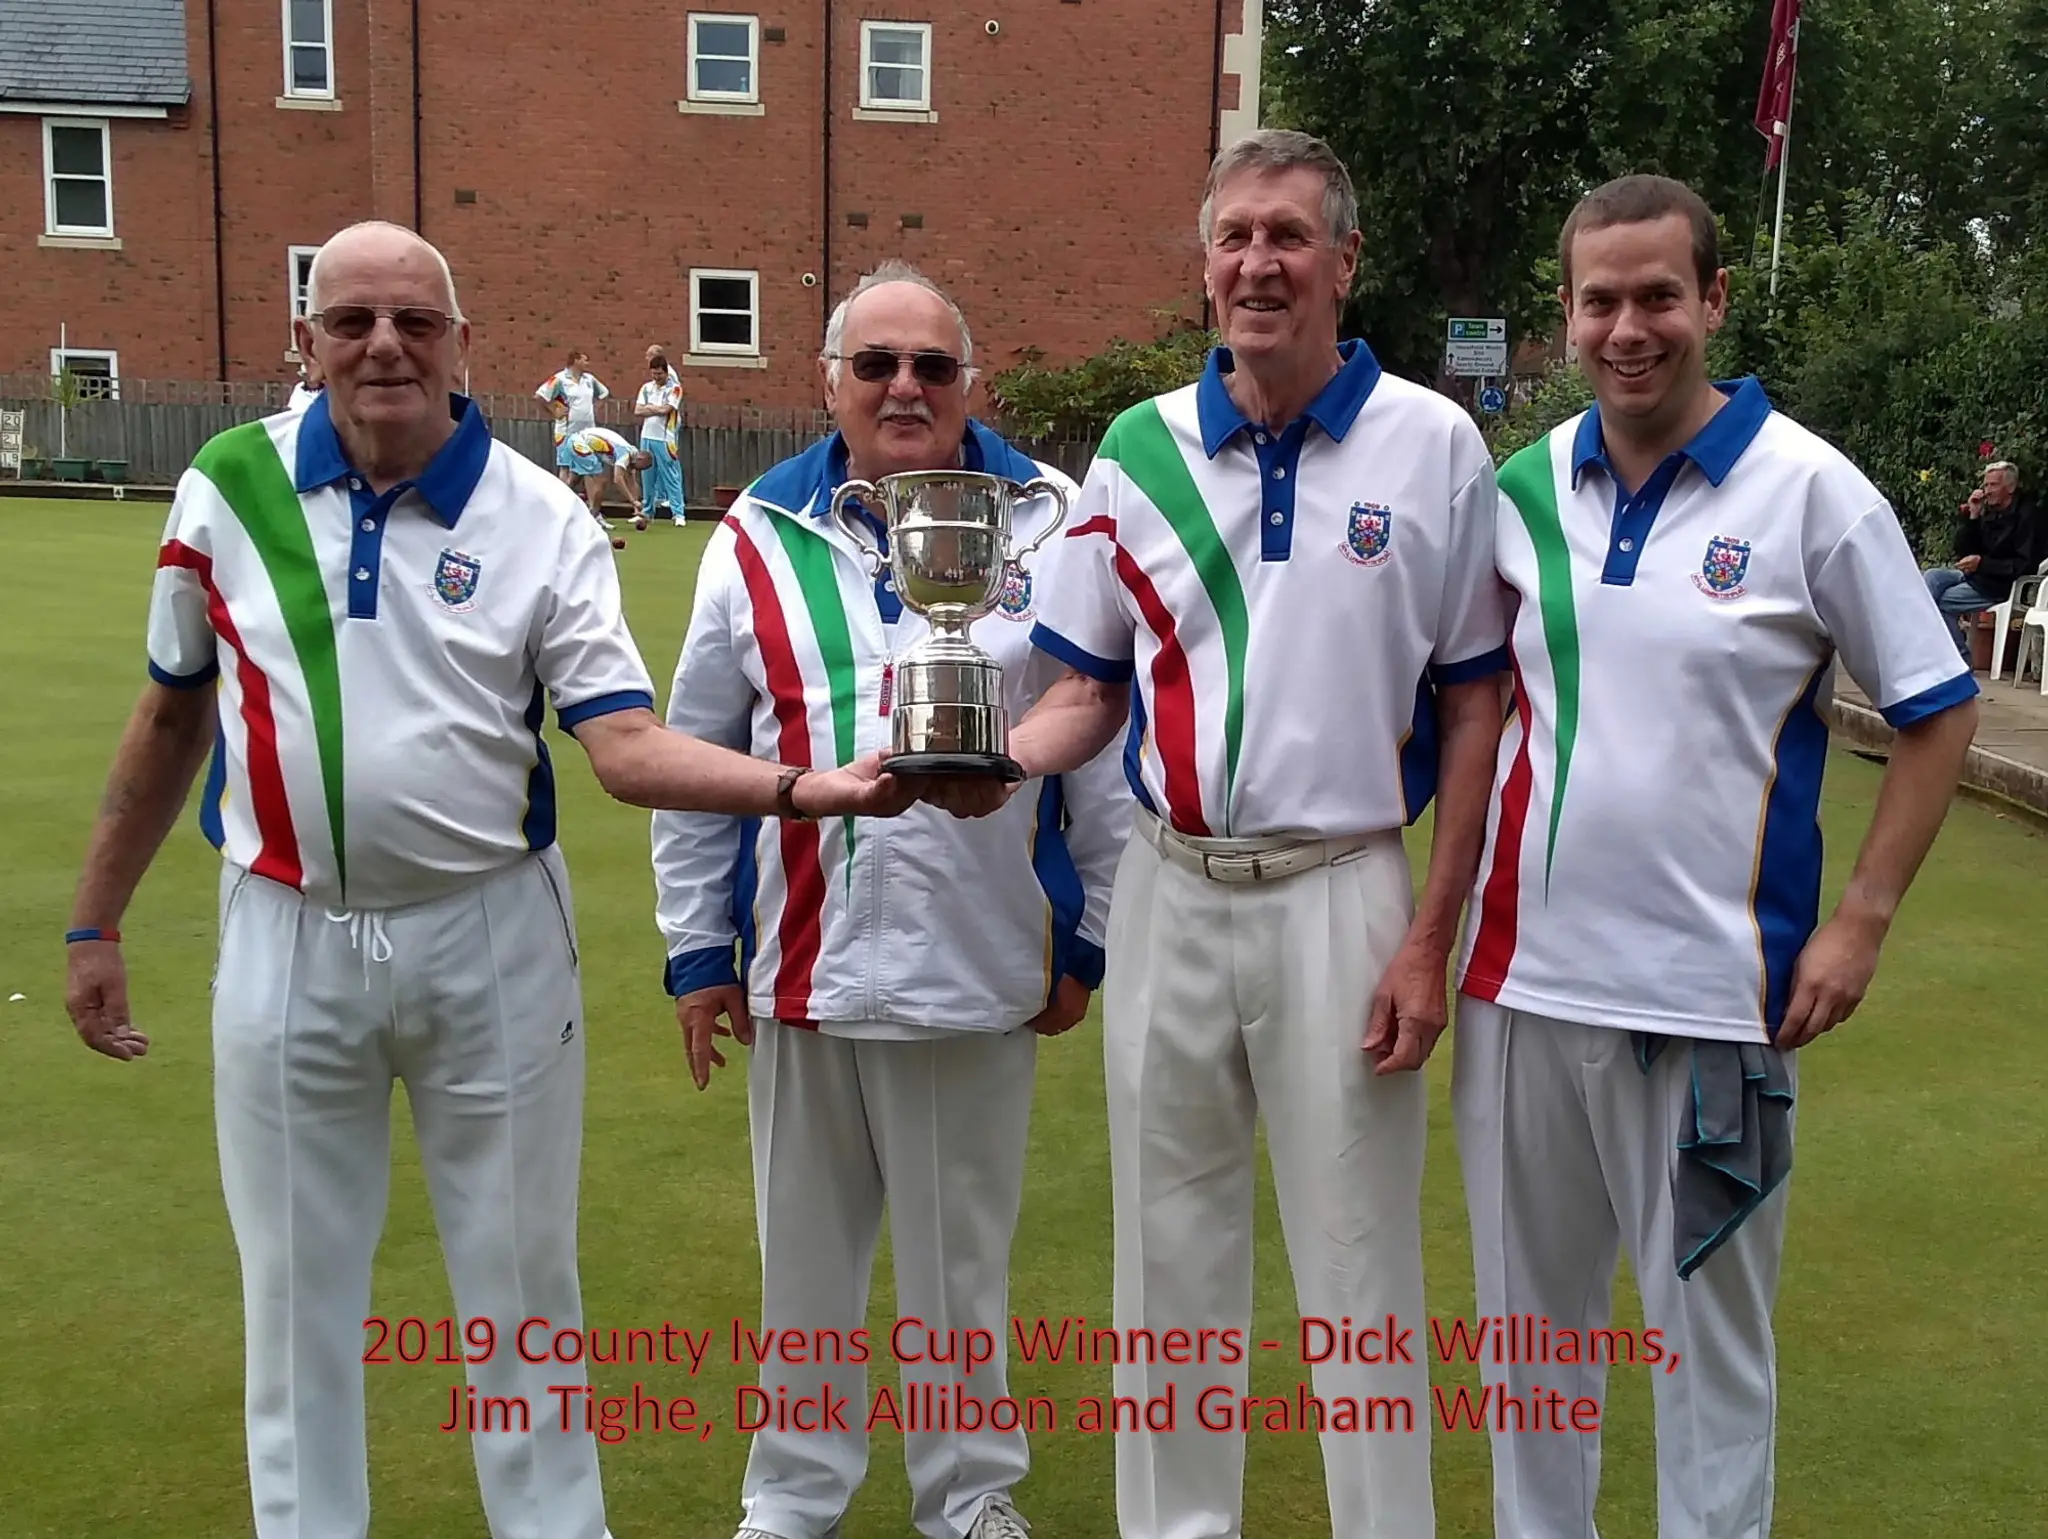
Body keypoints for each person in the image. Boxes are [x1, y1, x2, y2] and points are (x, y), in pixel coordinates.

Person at [61, 219, 913, 1539]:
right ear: (307, 343)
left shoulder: (543, 514)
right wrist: (92, 916)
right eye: (351, 321)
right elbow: (172, 710)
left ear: (463, 345)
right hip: (286, 930)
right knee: (295, 1295)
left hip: (491, 934)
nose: (383, 345)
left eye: (414, 320)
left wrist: (805, 787)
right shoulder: (226, 487)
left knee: (521, 1290)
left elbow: (623, 746)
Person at [922, 131, 1508, 1539]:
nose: (1260, 262)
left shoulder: (1433, 442)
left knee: (1359, 1255)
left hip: (1346, 891)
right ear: (1203, 267)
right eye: (1235, 236)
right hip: (1172, 887)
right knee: (1166, 1251)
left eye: (1290, 235)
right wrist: (996, 762)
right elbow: (1083, 688)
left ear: (1343, 261)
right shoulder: (1138, 445)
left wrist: (1430, 937)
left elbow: (1481, 706)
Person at [1450, 174, 1980, 1539]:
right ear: (1565, 316)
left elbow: (1936, 707)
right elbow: (1465, 703)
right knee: (1531, 1359)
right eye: (1601, 300)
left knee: (1709, 1366)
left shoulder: (1812, 490)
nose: (1631, 327)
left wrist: (1861, 916)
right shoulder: (1518, 490)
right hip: (1517, 991)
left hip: (1713, 1008)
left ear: (1715, 301)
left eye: (1659, 297)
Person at [652, 259, 1133, 1539]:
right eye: (877, 365)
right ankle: (792, 1500)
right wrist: (698, 949)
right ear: (830, 383)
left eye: (932, 364)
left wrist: (1088, 935)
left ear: (972, 378)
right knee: (801, 1267)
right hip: (801, 963)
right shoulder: (757, 528)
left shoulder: (1053, 515)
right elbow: (703, 756)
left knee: (958, 1271)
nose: (906, 386)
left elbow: (1101, 751)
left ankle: (969, 1497)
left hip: (977, 960)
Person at [1923, 460, 2046, 663]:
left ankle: (1960, 663)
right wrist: (1973, 515)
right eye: (1986, 485)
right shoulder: (1989, 511)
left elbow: (2026, 565)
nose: (1987, 491)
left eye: (1993, 485)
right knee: (1931, 577)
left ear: (2011, 487)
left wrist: (1982, 564)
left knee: (1940, 603)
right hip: (1976, 575)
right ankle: (1932, 653)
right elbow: (1964, 552)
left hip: (2000, 585)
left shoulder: (2028, 516)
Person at [536, 348, 608, 483]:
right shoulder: (559, 379)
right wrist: (553, 410)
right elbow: (540, 396)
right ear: (576, 360)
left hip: (587, 431)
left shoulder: (589, 379)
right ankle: (563, 495)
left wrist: (594, 409)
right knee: (565, 465)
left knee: (585, 464)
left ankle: (574, 492)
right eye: (585, 360)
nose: (587, 363)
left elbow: (604, 394)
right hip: (566, 431)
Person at [565, 423, 653, 530]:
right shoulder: (625, 454)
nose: (637, 470)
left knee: (572, 481)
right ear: (639, 459)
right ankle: (594, 517)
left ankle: (555, 506)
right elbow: (618, 479)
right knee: (602, 481)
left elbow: (632, 482)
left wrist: (637, 509)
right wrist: (632, 501)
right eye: (639, 468)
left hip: (576, 441)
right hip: (580, 444)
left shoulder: (632, 453)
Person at [633, 349, 686, 522]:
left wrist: (650, 409)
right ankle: (647, 511)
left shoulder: (675, 389)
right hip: (647, 436)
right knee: (647, 476)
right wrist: (654, 409)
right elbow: (638, 410)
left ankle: (678, 513)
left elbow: (667, 409)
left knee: (670, 475)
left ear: (666, 372)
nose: (656, 377)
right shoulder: (646, 388)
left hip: (665, 438)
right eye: (654, 374)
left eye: (660, 374)